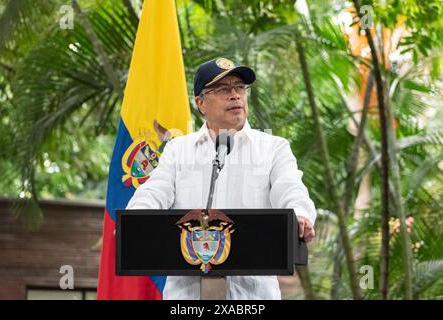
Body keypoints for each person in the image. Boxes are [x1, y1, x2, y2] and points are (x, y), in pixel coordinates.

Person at [126, 57, 317, 299]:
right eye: (223, 89)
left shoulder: (273, 148)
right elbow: (153, 193)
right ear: (201, 103)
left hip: (252, 299)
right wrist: (135, 220)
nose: (235, 95)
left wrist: (299, 214)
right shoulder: (178, 150)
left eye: (239, 87)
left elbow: (291, 189)